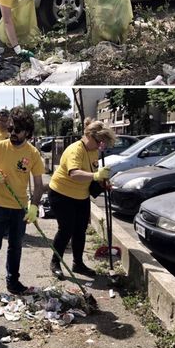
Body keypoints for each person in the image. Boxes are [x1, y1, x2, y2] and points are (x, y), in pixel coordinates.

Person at [0, 107, 44, 302]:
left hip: (19, 208)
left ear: (27, 132)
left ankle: (13, 282)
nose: (12, 133)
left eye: (17, 130)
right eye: (10, 129)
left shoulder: (33, 153)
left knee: (15, 247)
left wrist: (34, 206)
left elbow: (39, 185)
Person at [46, 118, 116, 279]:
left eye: (102, 143)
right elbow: (74, 173)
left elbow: (92, 173)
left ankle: (78, 263)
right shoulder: (75, 150)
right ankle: (55, 262)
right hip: (61, 194)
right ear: (89, 136)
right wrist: (95, 175)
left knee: (80, 230)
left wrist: (102, 182)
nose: (100, 146)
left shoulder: (93, 151)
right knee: (66, 229)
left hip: (81, 195)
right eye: (99, 142)